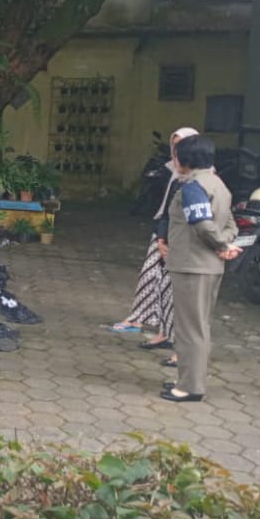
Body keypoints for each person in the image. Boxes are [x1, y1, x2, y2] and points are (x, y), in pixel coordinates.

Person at [160, 135, 241, 403]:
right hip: (210, 267)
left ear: (184, 160)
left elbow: (202, 224)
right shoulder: (219, 185)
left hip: (191, 265)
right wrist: (225, 245)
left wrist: (220, 244)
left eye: (176, 156)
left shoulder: (193, 187)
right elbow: (230, 223)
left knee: (188, 329)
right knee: (200, 326)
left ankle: (190, 387)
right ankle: (187, 379)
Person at [111, 127, 200, 351]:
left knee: (171, 287)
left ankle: (168, 334)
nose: (175, 151)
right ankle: (145, 319)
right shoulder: (173, 169)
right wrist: (161, 234)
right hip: (164, 231)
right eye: (174, 145)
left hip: (177, 237)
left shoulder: (197, 177)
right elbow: (167, 207)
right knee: (151, 276)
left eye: (181, 146)